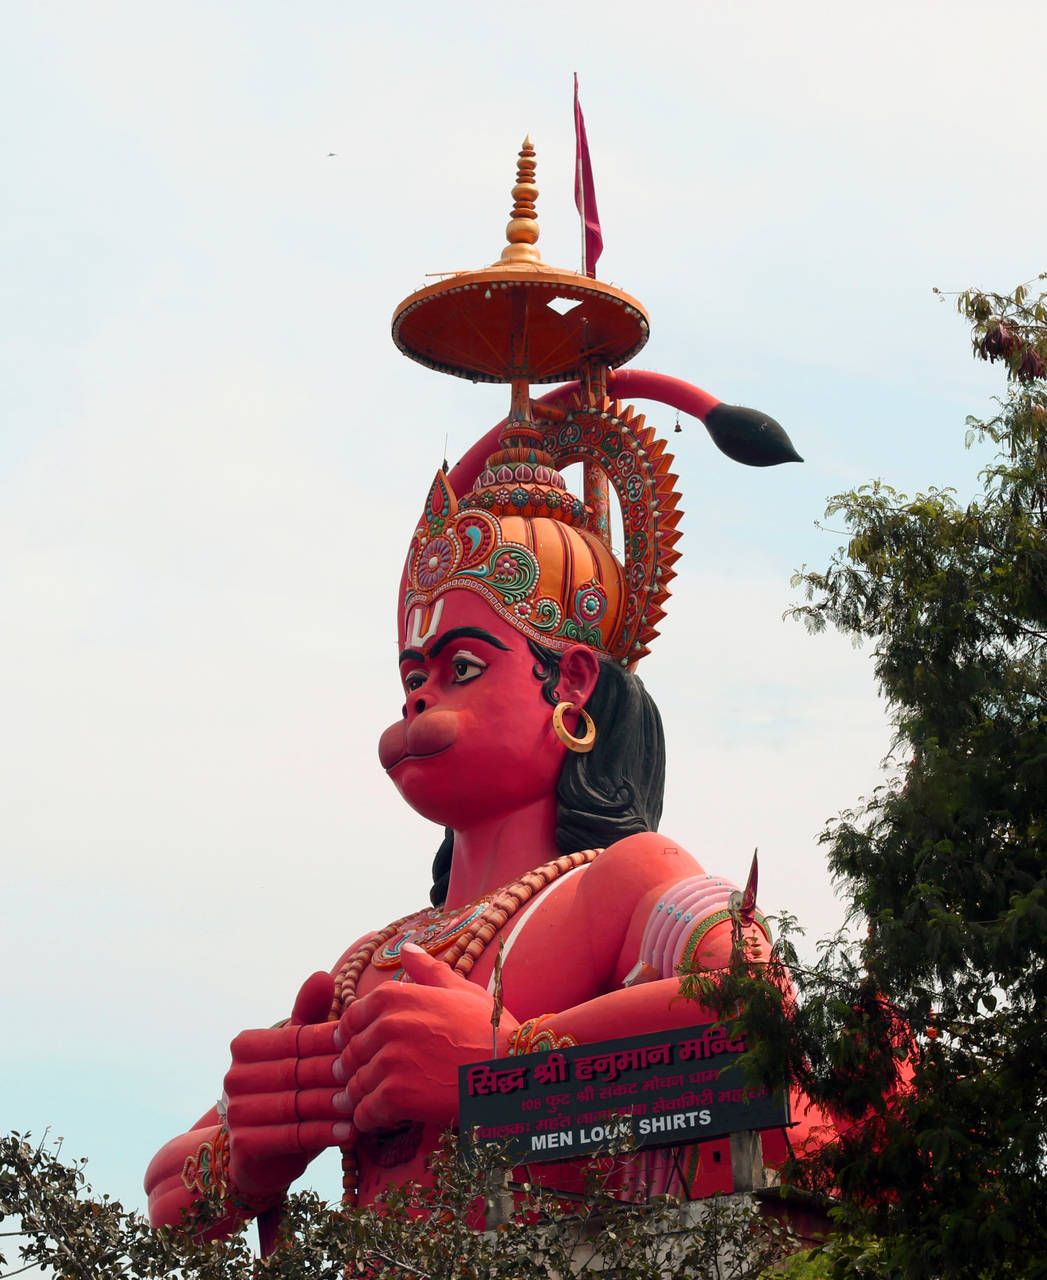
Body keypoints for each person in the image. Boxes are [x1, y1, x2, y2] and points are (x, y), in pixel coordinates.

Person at [144, 138, 827, 1237]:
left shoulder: (623, 882)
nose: (419, 700)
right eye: (412, 673)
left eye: (462, 665)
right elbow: (170, 1199)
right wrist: (254, 1150)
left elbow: (754, 1024)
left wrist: (496, 1064)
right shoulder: (374, 961)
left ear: (572, 681)